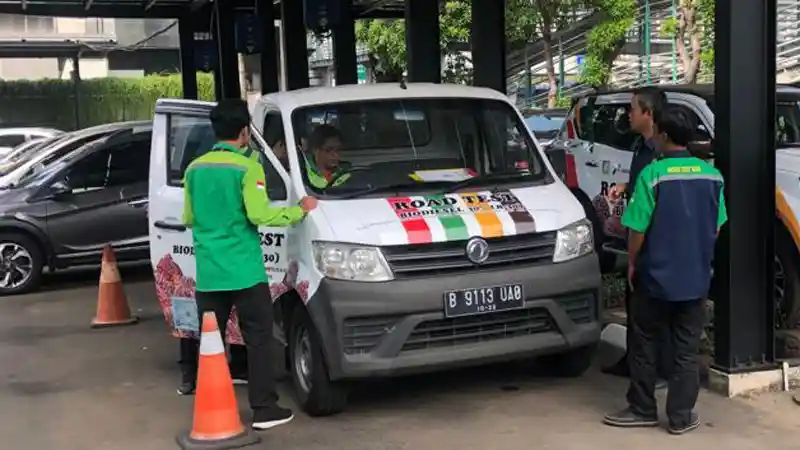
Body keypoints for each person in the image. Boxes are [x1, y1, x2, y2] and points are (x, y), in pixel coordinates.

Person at [182, 98, 318, 430]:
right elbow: (259, 214)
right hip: (244, 271)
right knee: (257, 339)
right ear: (245, 132)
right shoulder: (248, 166)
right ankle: (263, 409)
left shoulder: (194, 169)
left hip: (210, 273)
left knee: (211, 342)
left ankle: (212, 406)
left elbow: (188, 217)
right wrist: (299, 210)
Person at [603, 105, 726, 435]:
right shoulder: (712, 176)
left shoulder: (652, 175)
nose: (653, 135)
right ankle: (681, 417)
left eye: (657, 130)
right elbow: (717, 226)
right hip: (696, 277)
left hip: (655, 277)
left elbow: (637, 230)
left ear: (665, 136)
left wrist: (631, 262)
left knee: (645, 343)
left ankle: (643, 408)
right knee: (686, 349)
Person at [602, 86, 671, 385]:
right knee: (635, 303)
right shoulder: (641, 148)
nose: (628, 114)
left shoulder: (662, 149)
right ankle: (633, 360)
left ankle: (656, 371)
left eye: (632, 109)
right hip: (638, 236)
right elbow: (645, 185)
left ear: (648, 113)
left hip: (655, 240)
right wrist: (625, 187)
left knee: (654, 309)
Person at [303, 124, 350, 189]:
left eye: (338, 149)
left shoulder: (348, 171)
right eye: (329, 150)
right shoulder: (302, 174)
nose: (335, 154)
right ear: (315, 150)